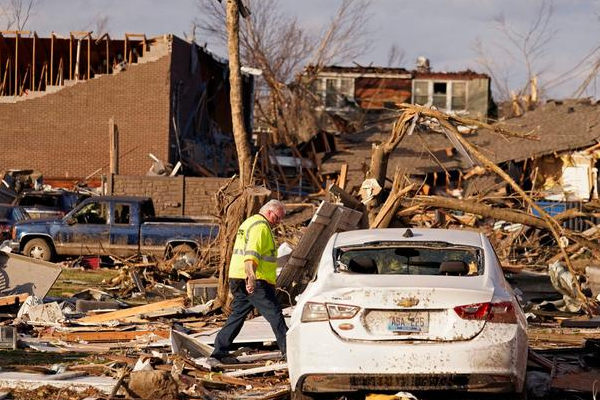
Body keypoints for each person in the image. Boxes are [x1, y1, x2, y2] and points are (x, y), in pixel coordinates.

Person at [210, 199, 288, 362]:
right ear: (268, 212)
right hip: (254, 280)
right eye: (277, 218)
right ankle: (289, 350)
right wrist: (251, 278)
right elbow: (251, 256)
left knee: (238, 315)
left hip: (238, 277)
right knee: (275, 314)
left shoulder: (250, 222)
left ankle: (220, 351)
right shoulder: (260, 227)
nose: (278, 222)